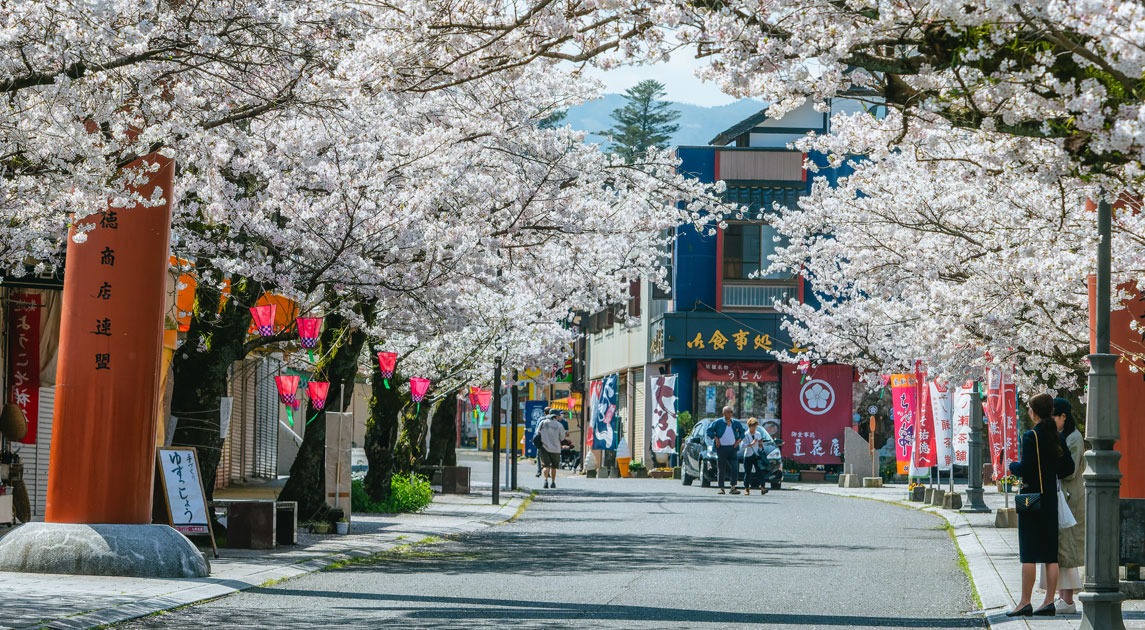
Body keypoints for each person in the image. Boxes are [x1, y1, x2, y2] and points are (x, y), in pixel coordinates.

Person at [1006, 393, 1075, 617]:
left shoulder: (1030, 436)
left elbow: (1025, 469)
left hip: (1031, 498)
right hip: (1050, 500)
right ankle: (1048, 602)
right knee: (1049, 554)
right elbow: (1068, 468)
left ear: (1034, 412)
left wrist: (1011, 466)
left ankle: (1025, 602)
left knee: (1028, 554)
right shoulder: (1057, 436)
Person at [1037, 397, 1085, 614]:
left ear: (1063, 416)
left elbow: (1070, 470)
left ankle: (1067, 600)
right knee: (1059, 548)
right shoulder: (1064, 435)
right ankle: (1061, 597)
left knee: (1066, 550)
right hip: (1061, 497)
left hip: (1070, 498)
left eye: (1054, 416)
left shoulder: (1074, 438)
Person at [706, 405, 744, 495]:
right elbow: (709, 431)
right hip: (721, 448)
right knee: (721, 468)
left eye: (731, 412)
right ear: (723, 413)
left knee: (735, 467)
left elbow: (742, 432)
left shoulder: (735, 423)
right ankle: (721, 488)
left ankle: (733, 487)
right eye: (728, 412)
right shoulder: (718, 422)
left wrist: (738, 440)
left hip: (732, 448)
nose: (730, 414)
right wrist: (716, 438)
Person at [536, 411, 567, 489]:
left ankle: (545, 481)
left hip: (544, 447)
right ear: (556, 416)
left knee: (545, 466)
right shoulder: (560, 425)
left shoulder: (543, 423)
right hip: (555, 449)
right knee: (553, 467)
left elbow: (537, 433)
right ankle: (553, 482)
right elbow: (562, 438)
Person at [741, 418, 769, 496]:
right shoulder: (745, 434)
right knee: (748, 472)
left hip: (757, 455)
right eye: (753, 426)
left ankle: (763, 487)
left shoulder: (758, 434)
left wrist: (760, 444)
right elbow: (742, 446)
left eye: (756, 426)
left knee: (760, 471)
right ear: (750, 426)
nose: (755, 428)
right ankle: (747, 488)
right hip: (748, 455)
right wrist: (751, 444)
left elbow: (760, 445)